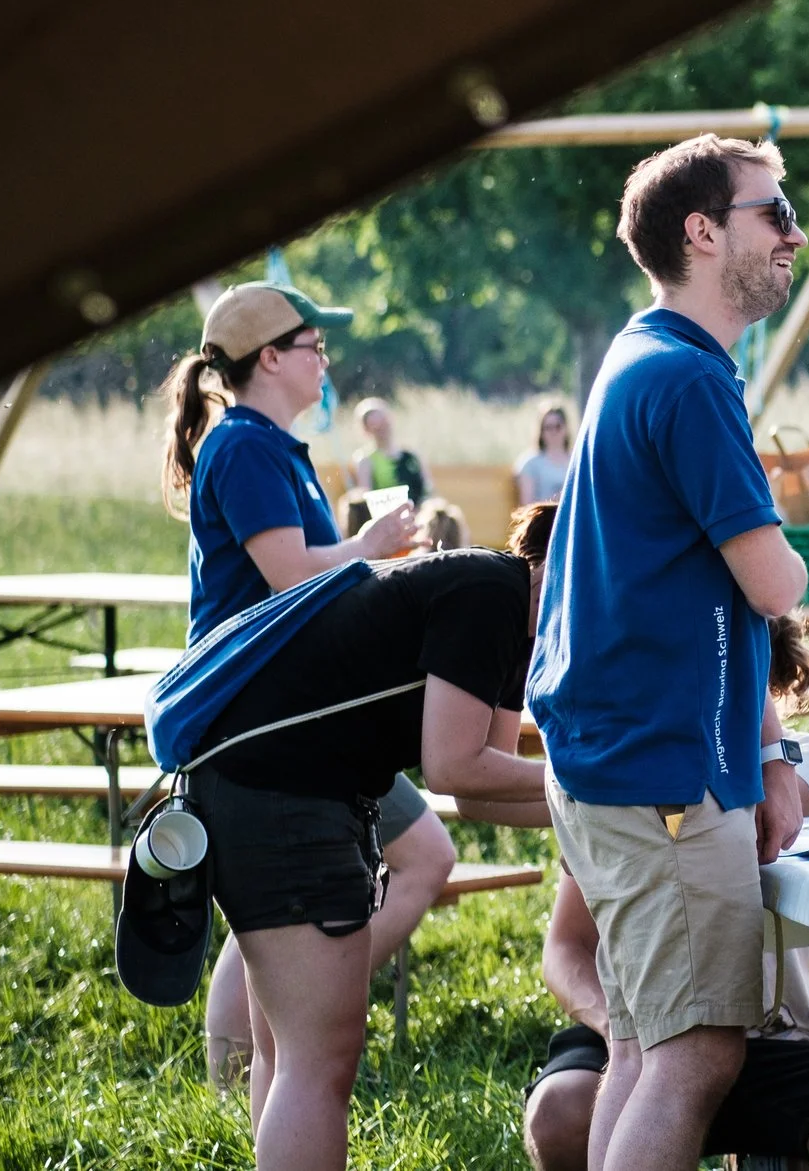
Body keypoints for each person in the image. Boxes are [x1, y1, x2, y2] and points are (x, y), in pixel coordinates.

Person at [528, 133, 809, 1171]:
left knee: (649, 1044)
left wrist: (772, 752)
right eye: (773, 212)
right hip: (660, 771)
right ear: (703, 230)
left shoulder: (641, 353)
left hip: (618, 756)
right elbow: (773, 583)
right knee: (693, 1055)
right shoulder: (691, 380)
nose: (795, 232)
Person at [156, 281, 457, 1096]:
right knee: (419, 857)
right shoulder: (246, 446)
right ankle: (244, 1063)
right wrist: (365, 545)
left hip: (296, 719)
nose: (327, 359)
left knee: (402, 866)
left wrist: (380, 562)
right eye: (315, 345)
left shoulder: (268, 444)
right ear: (271, 357)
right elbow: (290, 577)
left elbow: (319, 590)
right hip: (260, 721)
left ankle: (252, 1064)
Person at [182, 513, 553, 1171]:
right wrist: (604, 781)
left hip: (263, 786)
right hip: (281, 796)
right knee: (319, 1061)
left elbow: (481, 787)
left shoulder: (518, 625)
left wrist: (601, 804)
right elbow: (452, 765)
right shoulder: (489, 592)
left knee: (291, 1053)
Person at [523, 616, 809, 1171]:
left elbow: (753, 805)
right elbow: (565, 948)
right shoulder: (628, 786)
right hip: (639, 1021)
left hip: (772, 1038)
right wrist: (617, 1026)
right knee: (561, 1111)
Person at [349, 396, 428, 503]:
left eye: (383, 422)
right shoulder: (365, 460)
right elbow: (366, 499)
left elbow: (428, 490)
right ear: (366, 429)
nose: (382, 429)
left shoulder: (411, 456)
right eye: (375, 426)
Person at [517, 402, 574, 505]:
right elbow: (527, 506)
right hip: (544, 519)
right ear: (541, 431)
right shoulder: (531, 463)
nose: (553, 431)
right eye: (548, 427)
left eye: (558, 426)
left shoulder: (577, 461)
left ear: (566, 428)